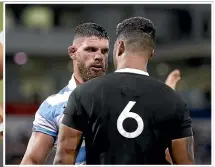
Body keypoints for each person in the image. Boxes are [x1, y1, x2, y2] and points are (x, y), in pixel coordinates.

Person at [21, 22, 181, 165]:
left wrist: (163, 101)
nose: (98, 56)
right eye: (90, 50)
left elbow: (160, 153)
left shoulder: (130, 98)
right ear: (72, 52)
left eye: (104, 51)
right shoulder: (53, 105)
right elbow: (33, 161)